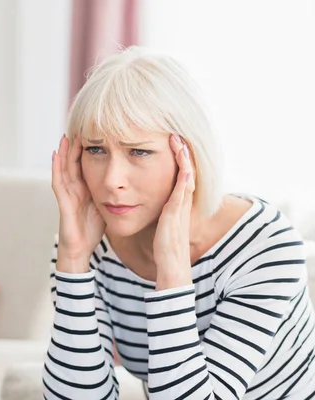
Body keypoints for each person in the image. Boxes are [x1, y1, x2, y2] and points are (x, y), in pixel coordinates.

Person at [43, 46, 315, 399]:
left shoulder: (265, 246)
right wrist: (74, 263)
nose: (112, 180)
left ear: (188, 155)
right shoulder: (89, 248)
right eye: (96, 150)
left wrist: (172, 275)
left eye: (139, 151)